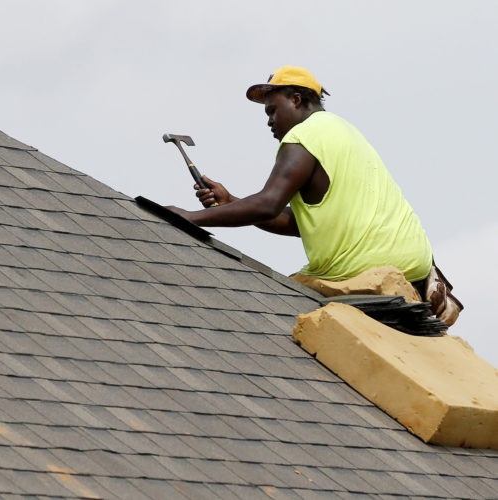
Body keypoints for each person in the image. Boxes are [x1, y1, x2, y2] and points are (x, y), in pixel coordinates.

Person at [167, 65, 462, 325]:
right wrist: (231, 202)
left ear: (296, 99)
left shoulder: (303, 137)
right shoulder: (343, 131)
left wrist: (191, 218)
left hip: (365, 267)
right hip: (417, 265)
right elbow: (299, 223)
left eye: (273, 110)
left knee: (277, 303)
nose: (269, 120)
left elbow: (268, 205)